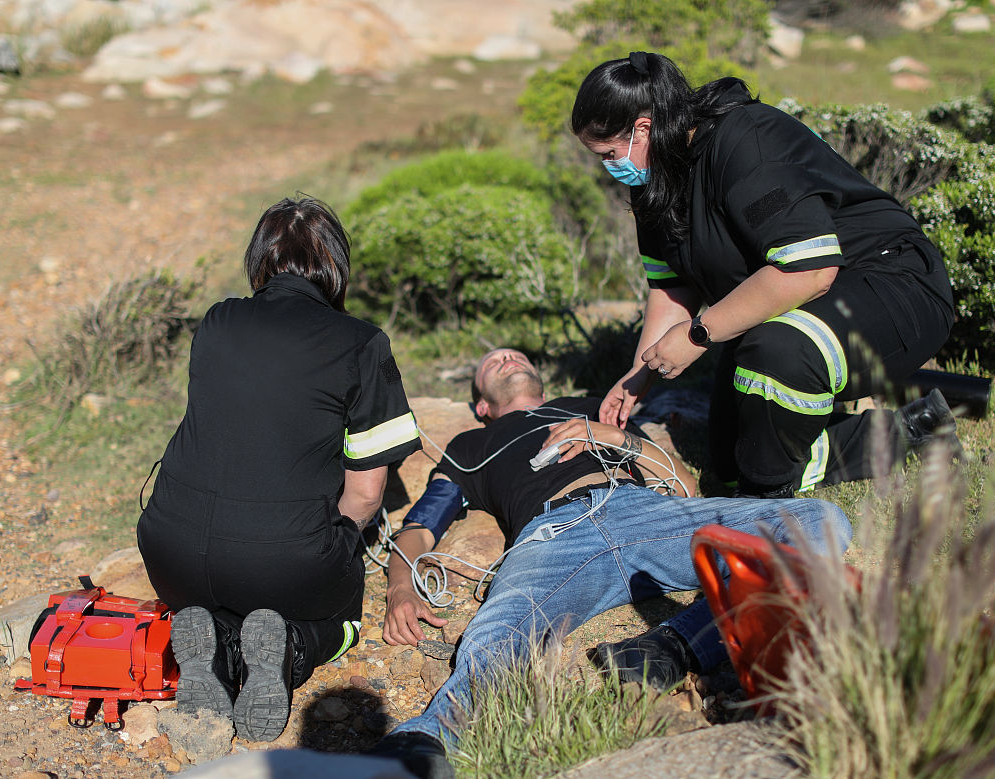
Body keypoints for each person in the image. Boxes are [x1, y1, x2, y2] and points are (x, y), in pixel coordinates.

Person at [365, 348, 852, 779]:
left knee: (818, 521)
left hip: (645, 512)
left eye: (517, 354)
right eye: (492, 362)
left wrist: (612, 436)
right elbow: (421, 525)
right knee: (500, 628)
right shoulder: (471, 445)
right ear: (482, 406)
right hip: (552, 537)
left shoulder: (591, 406)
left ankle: (674, 645)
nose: (507, 358)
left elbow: (680, 481)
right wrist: (400, 588)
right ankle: (426, 742)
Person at [572, 51, 958, 500]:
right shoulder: (654, 183)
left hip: (892, 285)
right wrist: (639, 376)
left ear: (643, 129)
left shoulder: (745, 140)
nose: (610, 167)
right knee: (732, 459)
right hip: (797, 308)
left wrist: (697, 336)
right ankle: (917, 428)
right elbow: (671, 289)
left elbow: (809, 271)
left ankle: (763, 503)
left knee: (776, 356)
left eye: (610, 154)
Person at [136, 197, 422, 741]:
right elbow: (365, 496)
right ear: (335, 267)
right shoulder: (360, 342)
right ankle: (289, 647)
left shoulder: (217, 321)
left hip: (170, 550)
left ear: (260, 261)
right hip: (284, 563)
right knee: (345, 616)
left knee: (225, 594)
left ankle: (213, 635)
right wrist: (324, 542)